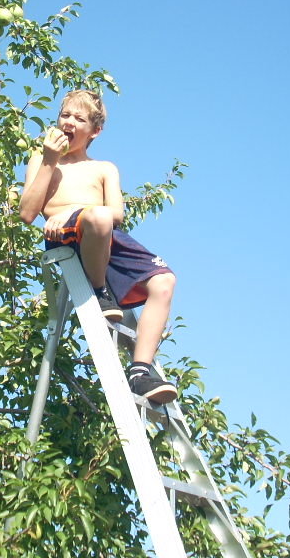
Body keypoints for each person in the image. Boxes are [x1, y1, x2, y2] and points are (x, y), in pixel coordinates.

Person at [19, 90, 178, 404]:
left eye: (79, 118)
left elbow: (115, 214)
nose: (69, 122)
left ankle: (140, 373)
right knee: (98, 217)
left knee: (164, 281)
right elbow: (27, 213)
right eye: (65, 115)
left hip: (103, 233)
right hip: (64, 235)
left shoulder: (104, 168)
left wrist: (74, 209)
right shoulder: (42, 159)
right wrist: (50, 162)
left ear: (94, 131)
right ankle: (100, 291)